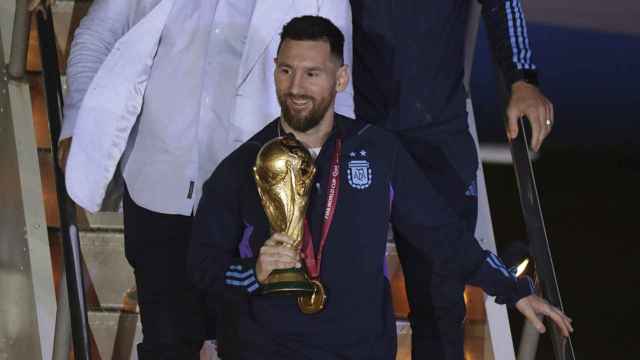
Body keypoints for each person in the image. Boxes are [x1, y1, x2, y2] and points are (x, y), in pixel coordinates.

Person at [189, 16, 572, 360]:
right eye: (286, 71)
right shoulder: (242, 165)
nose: (296, 87)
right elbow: (202, 268)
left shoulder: (377, 151)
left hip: (358, 351)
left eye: (312, 74)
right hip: (266, 349)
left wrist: (513, 288)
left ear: (341, 78)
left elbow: (442, 235)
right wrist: (253, 272)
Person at [60, 0, 353, 358]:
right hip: (158, 186)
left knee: (253, 344)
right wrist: (78, 123)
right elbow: (97, 34)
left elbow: (338, 91)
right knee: (165, 343)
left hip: (257, 201)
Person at [349, 1, 555, 357]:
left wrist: (522, 78)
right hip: (364, 137)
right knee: (352, 301)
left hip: (438, 144)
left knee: (440, 307)